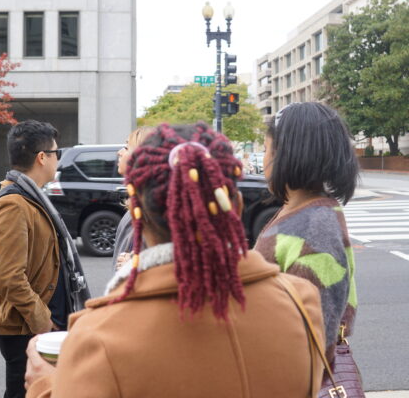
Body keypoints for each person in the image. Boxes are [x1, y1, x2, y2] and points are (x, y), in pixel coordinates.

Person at [24, 123, 326, 397]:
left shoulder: (98, 336)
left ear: (137, 213)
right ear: (234, 206)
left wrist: (45, 385)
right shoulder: (301, 303)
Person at [0, 120, 89, 398]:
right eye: (57, 152)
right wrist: (43, 320)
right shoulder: (13, 204)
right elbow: (8, 277)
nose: (59, 158)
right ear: (42, 157)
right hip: (28, 328)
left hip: (42, 325)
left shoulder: (32, 197)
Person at [254, 102, 360, 360]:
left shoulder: (315, 230)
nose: (263, 160)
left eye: (266, 150)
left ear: (287, 154)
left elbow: (315, 340)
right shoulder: (300, 210)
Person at [112, 126, 154, 271]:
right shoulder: (140, 203)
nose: (119, 152)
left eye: (126, 147)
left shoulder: (150, 209)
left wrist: (134, 266)